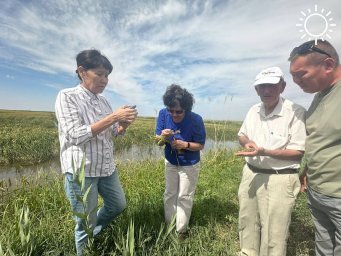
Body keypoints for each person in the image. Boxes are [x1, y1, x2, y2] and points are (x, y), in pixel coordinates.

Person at [55, 49, 137, 255]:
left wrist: (123, 126)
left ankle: (95, 231)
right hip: (81, 171)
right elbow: (74, 134)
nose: (104, 80)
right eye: (99, 74)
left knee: (118, 205)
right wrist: (113, 117)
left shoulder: (104, 102)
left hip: (107, 167)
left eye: (107, 75)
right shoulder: (67, 96)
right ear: (82, 71)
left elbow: (111, 134)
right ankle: (87, 243)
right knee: (84, 222)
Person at [235, 67, 306, 256]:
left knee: (274, 231)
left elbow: (298, 152)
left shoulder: (296, 112)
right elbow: (242, 134)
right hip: (251, 173)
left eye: (272, 85)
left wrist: (265, 151)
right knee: (247, 220)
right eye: (262, 86)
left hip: (280, 178)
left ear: (282, 86)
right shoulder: (253, 110)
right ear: (256, 90)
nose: (267, 91)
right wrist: (248, 142)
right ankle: (247, 252)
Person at [289, 39, 341, 255]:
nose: (296, 82)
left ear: (328, 65)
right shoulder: (320, 95)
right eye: (293, 77)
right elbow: (321, 139)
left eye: (301, 74)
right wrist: (306, 171)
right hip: (317, 192)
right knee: (324, 247)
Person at [155, 84, 206, 237]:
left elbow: (200, 145)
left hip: (189, 164)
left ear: (187, 109)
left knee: (184, 196)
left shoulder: (196, 120)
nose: (174, 115)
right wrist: (163, 137)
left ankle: (181, 231)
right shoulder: (163, 114)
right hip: (170, 161)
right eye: (171, 111)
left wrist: (185, 144)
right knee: (170, 193)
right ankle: (169, 225)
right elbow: (158, 142)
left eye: (179, 111)